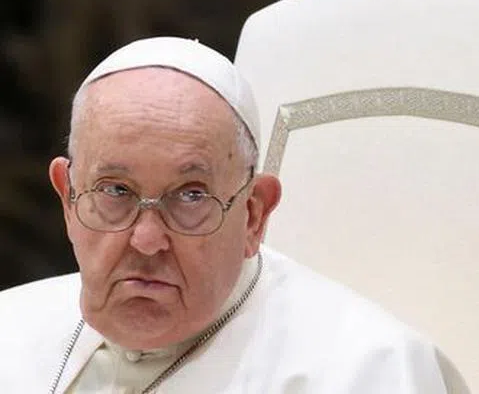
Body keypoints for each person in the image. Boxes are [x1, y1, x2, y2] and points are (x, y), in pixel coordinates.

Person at [0, 36, 449, 393]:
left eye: (190, 196)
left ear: (253, 215)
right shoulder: (9, 333)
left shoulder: (369, 372)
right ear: (69, 198)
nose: (146, 239)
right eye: (116, 190)